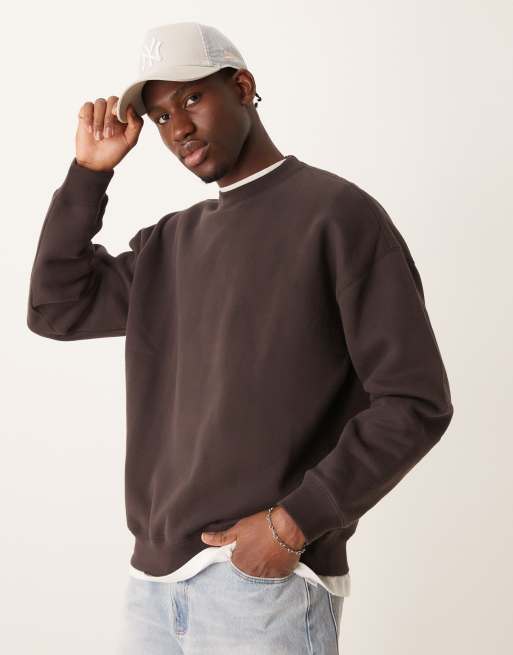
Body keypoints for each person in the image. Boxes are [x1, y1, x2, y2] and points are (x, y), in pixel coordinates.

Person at [27, 21, 454, 655]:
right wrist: (89, 175)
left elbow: (415, 402)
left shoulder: (337, 216)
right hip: (154, 589)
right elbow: (56, 308)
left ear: (243, 86)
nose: (178, 129)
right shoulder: (171, 243)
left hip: (264, 588)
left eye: (192, 98)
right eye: (161, 115)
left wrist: (293, 525)